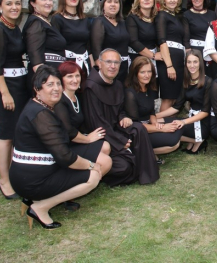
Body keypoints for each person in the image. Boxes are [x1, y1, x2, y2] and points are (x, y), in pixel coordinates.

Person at [10, 66, 107, 229]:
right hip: (32, 180)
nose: (56, 89)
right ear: (37, 88)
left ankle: (41, 199)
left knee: (93, 159)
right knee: (93, 177)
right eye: (49, 85)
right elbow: (65, 157)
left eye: (57, 84)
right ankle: (40, 207)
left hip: (35, 172)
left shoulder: (39, 106)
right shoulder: (41, 115)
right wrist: (92, 165)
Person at [83, 48, 159, 186]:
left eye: (116, 63)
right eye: (109, 62)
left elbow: (120, 109)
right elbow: (96, 122)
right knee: (124, 167)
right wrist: (120, 141)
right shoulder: (90, 87)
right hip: (102, 136)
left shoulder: (117, 84)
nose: (113, 66)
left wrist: (124, 116)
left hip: (117, 128)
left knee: (138, 128)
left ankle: (146, 173)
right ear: (99, 63)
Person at [54, 61, 112, 210]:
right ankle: (65, 194)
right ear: (61, 79)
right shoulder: (60, 101)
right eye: (69, 76)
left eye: (77, 76)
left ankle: (76, 184)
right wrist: (87, 139)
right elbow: (69, 132)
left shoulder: (76, 96)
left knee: (105, 146)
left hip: (75, 141)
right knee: (106, 162)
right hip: (64, 146)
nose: (75, 80)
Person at [0, 0, 29, 200]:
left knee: (15, 132)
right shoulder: (0, 29)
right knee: (6, 135)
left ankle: (11, 172)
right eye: (9, 3)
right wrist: (4, 93)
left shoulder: (14, 27)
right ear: (0, 6)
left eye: (17, 3)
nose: (14, 7)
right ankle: (3, 180)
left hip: (19, 84)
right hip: (7, 86)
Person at [124, 57, 183, 163]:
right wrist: (161, 128)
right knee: (173, 142)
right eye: (142, 72)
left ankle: (147, 152)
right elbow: (135, 125)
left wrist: (156, 124)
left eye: (149, 71)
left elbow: (151, 112)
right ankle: (142, 153)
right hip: (137, 132)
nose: (147, 75)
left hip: (149, 124)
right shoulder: (130, 93)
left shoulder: (150, 88)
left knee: (177, 125)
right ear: (135, 73)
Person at [156, 49, 212, 154]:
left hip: (203, 123)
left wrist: (183, 122)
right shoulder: (186, 81)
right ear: (185, 64)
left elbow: (205, 112)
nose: (192, 65)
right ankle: (194, 140)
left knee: (170, 128)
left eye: (195, 62)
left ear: (200, 63)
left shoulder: (208, 82)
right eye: (189, 62)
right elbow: (177, 106)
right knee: (159, 122)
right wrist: (156, 116)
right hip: (190, 120)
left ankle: (199, 140)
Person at [23, 0, 67, 87]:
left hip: (53, 76)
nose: (48, 2)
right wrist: (46, 83)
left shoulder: (45, 21)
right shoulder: (35, 23)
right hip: (45, 81)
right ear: (33, 3)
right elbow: (35, 56)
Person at [156, 0, 190, 111]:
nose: (172, 0)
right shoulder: (162, 16)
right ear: (164, 0)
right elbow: (162, 41)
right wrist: (169, 65)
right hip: (168, 60)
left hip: (179, 59)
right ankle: (160, 125)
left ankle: (169, 125)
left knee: (175, 97)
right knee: (168, 97)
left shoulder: (177, 17)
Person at [52, 0, 92, 75]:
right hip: (66, 67)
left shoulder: (85, 19)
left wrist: (93, 68)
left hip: (84, 65)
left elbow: (89, 47)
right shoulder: (57, 19)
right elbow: (55, 47)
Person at [91, 0, 130, 84]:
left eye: (116, 2)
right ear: (103, 5)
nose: (113, 4)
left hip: (123, 67)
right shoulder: (99, 22)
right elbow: (96, 51)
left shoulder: (123, 23)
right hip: (109, 69)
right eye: (109, 1)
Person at [184, 0, 217, 77]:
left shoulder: (212, 14)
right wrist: (189, 56)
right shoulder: (186, 15)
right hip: (194, 53)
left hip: (210, 52)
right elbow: (186, 37)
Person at [126, 0, 161, 66]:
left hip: (153, 60)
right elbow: (133, 41)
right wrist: (153, 55)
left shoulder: (156, 18)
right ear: (138, 1)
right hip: (137, 60)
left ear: (154, 0)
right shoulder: (132, 18)